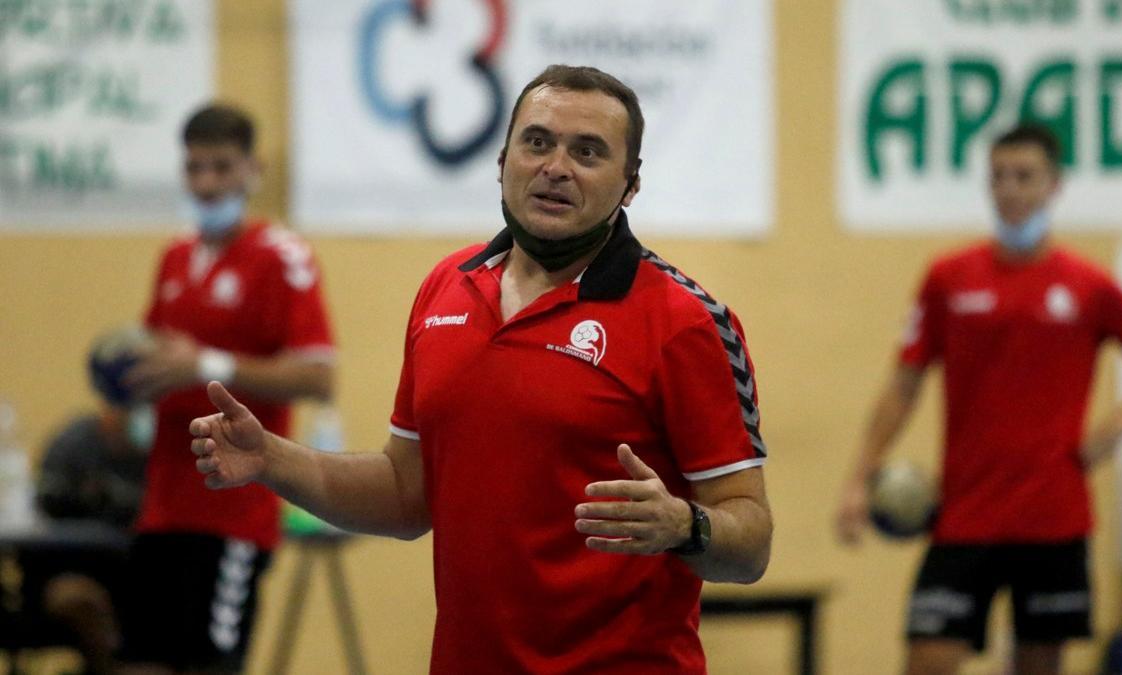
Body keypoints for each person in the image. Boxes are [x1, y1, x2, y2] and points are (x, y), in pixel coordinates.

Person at [188, 65, 773, 673]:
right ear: (502, 160)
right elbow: (406, 494)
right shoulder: (446, 288)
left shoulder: (685, 322)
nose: (556, 167)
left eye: (589, 152)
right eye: (537, 141)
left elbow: (751, 540)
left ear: (630, 185)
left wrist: (685, 525)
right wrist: (270, 460)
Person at [835, 124, 1122, 675]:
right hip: (963, 517)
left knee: (1038, 665)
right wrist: (860, 477)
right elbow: (904, 383)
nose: (1011, 190)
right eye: (999, 177)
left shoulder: (1089, 285)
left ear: (1054, 185)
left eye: (1025, 177)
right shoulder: (949, 278)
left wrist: (1120, 425)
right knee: (926, 660)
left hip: (1053, 517)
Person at [119, 104, 336, 674]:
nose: (207, 184)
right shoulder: (175, 255)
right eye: (194, 169)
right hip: (162, 503)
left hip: (233, 510)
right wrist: (130, 380)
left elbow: (318, 376)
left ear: (251, 170)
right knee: (140, 660)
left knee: (209, 665)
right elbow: (157, 352)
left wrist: (208, 365)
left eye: (221, 168)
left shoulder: (282, 258)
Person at [17, 404, 149, 675]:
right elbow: (49, 499)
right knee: (77, 597)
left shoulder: (155, 455)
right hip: (65, 568)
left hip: (131, 576)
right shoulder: (75, 442)